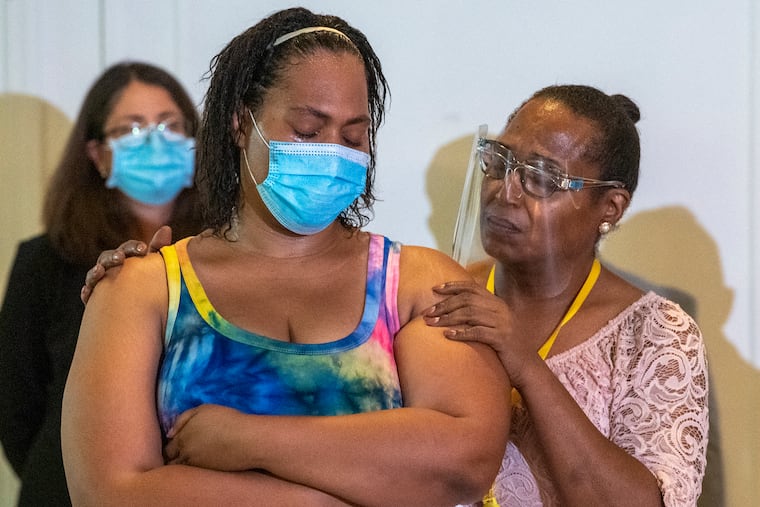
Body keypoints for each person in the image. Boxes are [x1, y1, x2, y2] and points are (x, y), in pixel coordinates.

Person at [62, 8, 510, 506]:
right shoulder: (142, 289)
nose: (332, 152)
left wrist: (243, 439)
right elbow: (110, 492)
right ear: (239, 122)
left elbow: (461, 463)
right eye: (307, 129)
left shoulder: (417, 284)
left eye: (352, 136)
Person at [424, 85, 708, 506]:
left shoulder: (654, 335)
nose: (506, 192)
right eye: (500, 162)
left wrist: (523, 360)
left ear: (610, 208)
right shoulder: (439, 294)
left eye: (541, 178)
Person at [0, 61, 203, 506]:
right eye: (132, 130)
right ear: (98, 154)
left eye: (169, 126)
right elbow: (17, 411)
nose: (154, 141)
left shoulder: (223, 249)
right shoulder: (45, 261)